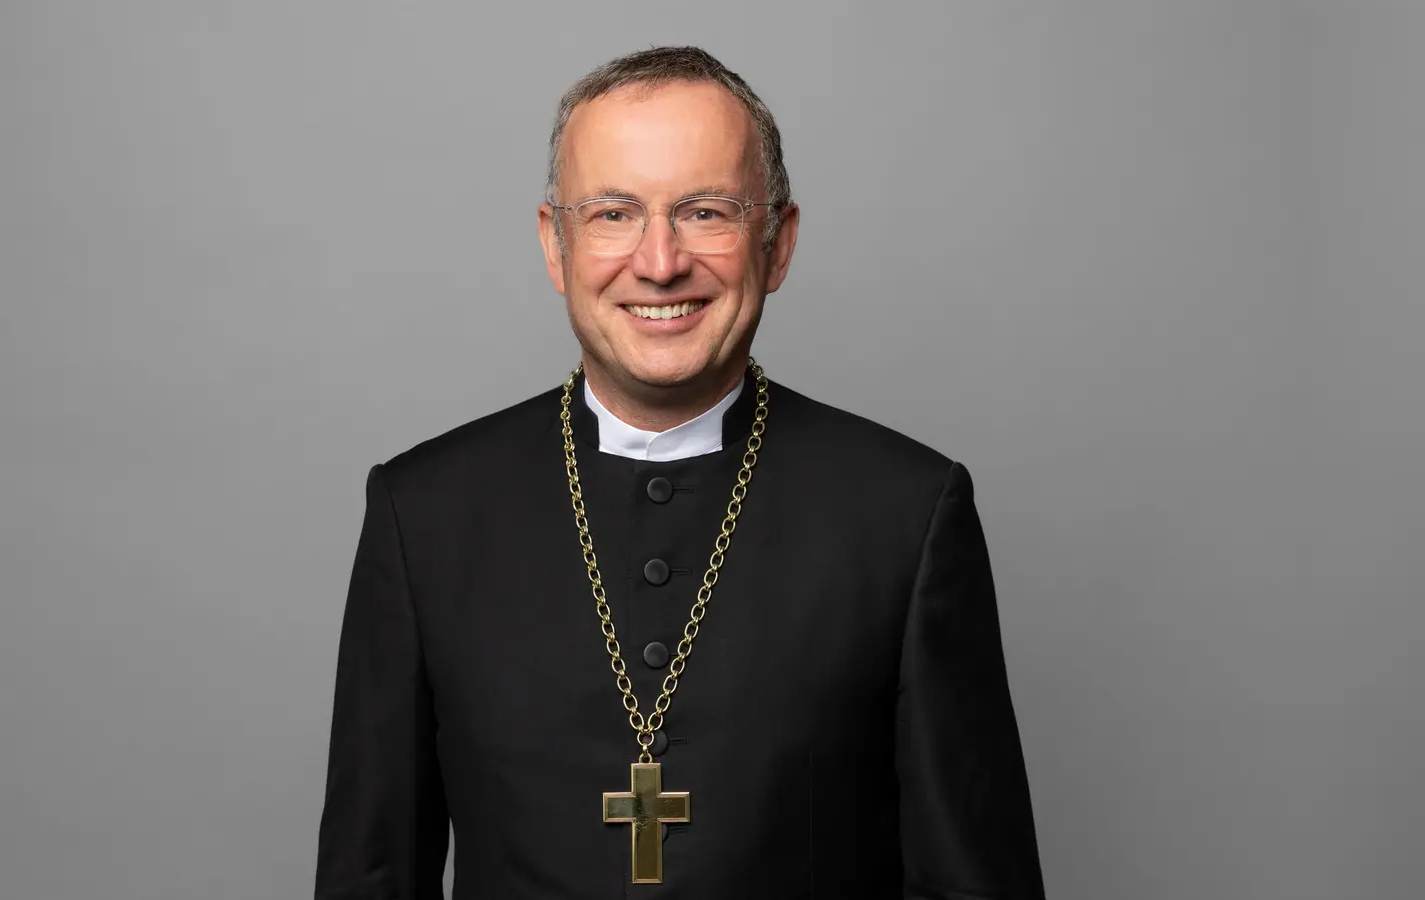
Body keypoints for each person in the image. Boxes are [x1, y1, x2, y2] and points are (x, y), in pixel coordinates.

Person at [315, 46, 1046, 899]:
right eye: (614, 213)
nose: (660, 262)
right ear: (556, 244)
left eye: (705, 212)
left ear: (778, 244)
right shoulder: (424, 515)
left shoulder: (906, 515)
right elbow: (369, 879)